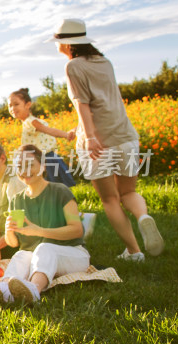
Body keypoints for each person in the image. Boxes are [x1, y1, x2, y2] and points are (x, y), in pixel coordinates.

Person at [50, 18, 164, 261]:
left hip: (100, 143)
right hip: (126, 136)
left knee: (110, 199)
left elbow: (84, 105)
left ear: (67, 44)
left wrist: (90, 137)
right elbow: (105, 103)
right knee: (128, 192)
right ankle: (143, 216)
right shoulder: (105, 61)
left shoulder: (72, 67)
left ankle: (134, 252)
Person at [0, 145, 89, 304]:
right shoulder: (17, 199)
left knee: (44, 247)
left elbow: (77, 230)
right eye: (19, 167)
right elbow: (14, 243)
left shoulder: (60, 191)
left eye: (29, 165)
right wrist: (9, 231)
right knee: (20, 254)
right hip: (37, 256)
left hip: (73, 254)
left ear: (43, 166)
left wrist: (39, 231)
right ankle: (5, 289)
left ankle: (34, 289)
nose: (24, 171)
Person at [7, 87, 76, 187]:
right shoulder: (28, 122)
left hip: (47, 160)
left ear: (28, 105)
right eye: (10, 106)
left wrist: (66, 135)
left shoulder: (30, 122)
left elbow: (49, 130)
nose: (12, 108)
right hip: (44, 159)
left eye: (16, 104)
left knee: (51, 190)